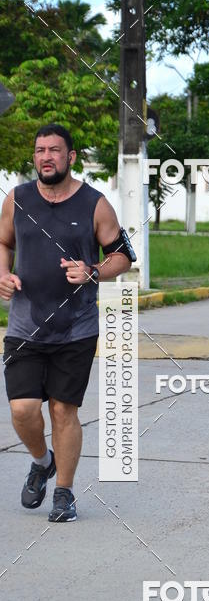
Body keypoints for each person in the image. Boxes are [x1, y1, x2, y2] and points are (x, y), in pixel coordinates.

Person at [0, 124, 135, 522]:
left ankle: (64, 493)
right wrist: (3, 274)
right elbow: (3, 242)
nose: (46, 157)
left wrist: (93, 271)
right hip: (25, 325)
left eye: (55, 150)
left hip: (75, 328)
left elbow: (123, 256)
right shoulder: (17, 199)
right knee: (23, 409)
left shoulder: (95, 204)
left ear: (71, 157)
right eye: (40, 150)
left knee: (63, 410)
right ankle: (43, 462)